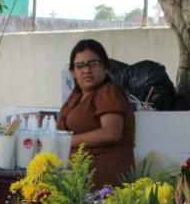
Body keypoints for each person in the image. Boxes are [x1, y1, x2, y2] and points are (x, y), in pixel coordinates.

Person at [56, 39, 135, 187]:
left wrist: (66, 141)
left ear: (105, 67)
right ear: (73, 72)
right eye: (80, 66)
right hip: (78, 178)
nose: (86, 70)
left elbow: (111, 133)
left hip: (105, 181)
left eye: (93, 64)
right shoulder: (76, 95)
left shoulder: (108, 92)